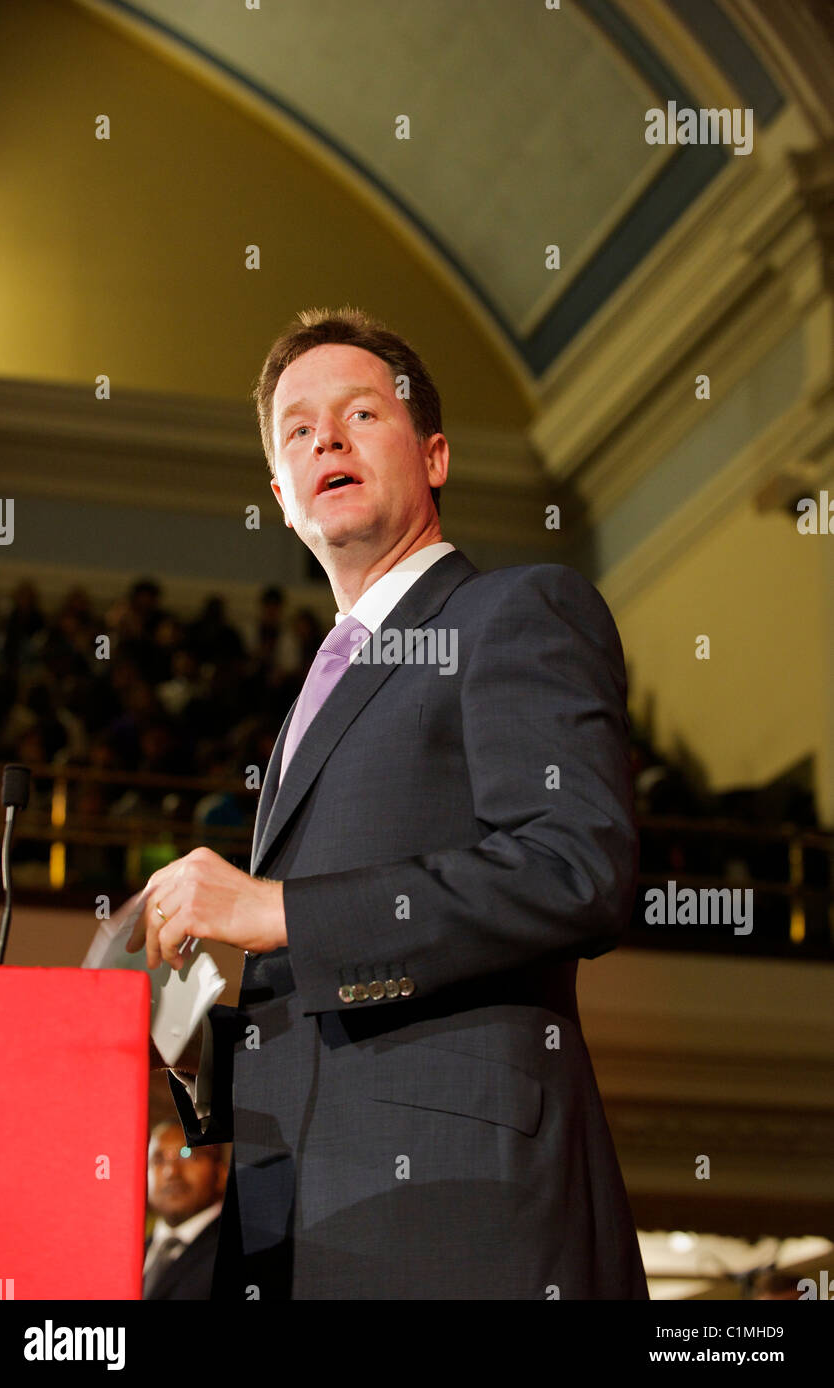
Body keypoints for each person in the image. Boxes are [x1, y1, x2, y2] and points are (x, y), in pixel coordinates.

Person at [129, 306, 648, 1300]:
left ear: (435, 454)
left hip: (458, 1215)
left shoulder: (516, 610)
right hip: (301, 1225)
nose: (324, 435)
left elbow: (571, 868)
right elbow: (336, 991)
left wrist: (275, 911)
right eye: (296, 428)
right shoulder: (302, 709)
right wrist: (191, 1044)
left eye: (361, 412)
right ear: (281, 497)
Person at [143, 1121, 227, 1300]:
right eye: (158, 1159)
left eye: (188, 1154)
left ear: (221, 1173)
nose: (171, 1172)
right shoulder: (128, 1255)